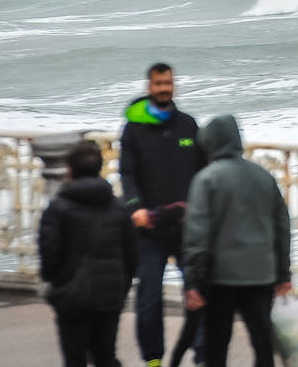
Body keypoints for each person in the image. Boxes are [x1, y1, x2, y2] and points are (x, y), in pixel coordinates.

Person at [183, 115, 292, 367]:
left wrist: (192, 281)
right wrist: (284, 273)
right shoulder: (264, 176)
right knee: (263, 342)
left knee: (217, 344)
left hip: (221, 278)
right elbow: (282, 227)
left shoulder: (206, 179)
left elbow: (196, 235)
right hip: (262, 275)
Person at [120, 63, 207, 367]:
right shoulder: (134, 129)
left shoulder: (188, 125)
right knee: (149, 298)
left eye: (168, 83)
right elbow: (127, 174)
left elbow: (203, 173)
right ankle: (153, 358)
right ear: (149, 87)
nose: (163, 89)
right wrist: (135, 208)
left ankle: (202, 354)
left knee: (198, 292)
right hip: (150, 229)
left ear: (174, 85)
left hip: (186, 228)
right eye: (158, 84)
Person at [39, 140, 138, 367]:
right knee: (105, 356)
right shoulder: (118, 208)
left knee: (75, 359)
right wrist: (120, 288)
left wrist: (57, 284)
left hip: (71, 294)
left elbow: (49, 253)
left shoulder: (58, 208)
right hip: (109, 294)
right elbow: (131, 255)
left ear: (70, 169)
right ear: (100, 168)